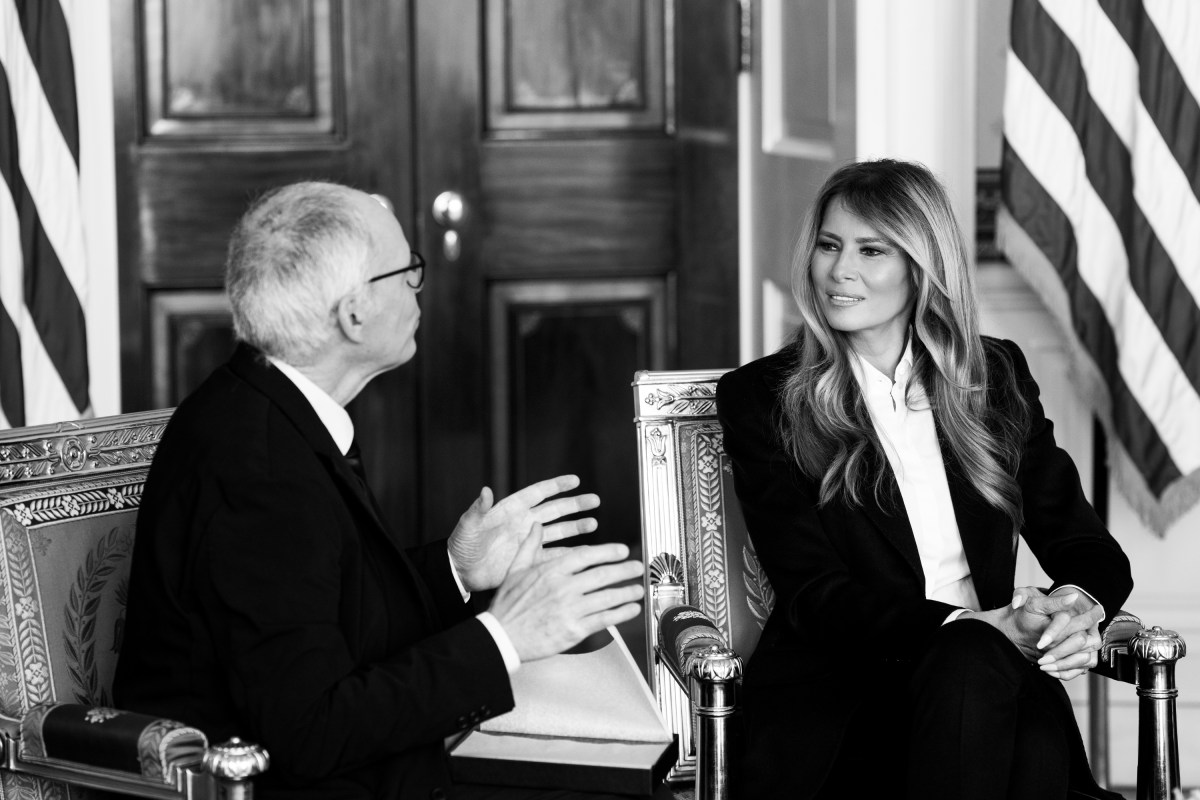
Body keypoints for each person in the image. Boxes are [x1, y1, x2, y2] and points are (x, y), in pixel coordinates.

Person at [114, 181, 655, 800]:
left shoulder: (274, 408)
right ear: (354, 313)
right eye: (408, 271)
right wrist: (508, 634)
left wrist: (456, 568)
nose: (417, 287)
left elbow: (331, 621)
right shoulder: (257, 470)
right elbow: (312, 733)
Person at [715, 159, 1132, 800]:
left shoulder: (992, 376)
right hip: (846, 697)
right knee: (984, 681)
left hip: (995, 680)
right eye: (829, 246)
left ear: (920, 266)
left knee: (1010, 714)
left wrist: (1074, 611)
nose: (839, 271)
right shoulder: (765, 398)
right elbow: (815, 596)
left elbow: (1083, 543)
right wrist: (972, 626)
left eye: (871, 250)